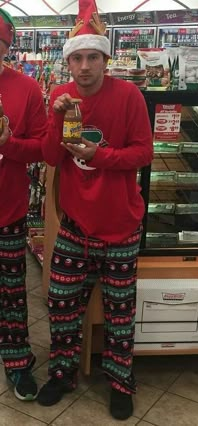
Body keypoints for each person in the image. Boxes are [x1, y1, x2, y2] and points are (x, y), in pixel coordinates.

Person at [37, 0, 153, 420]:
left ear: (104, 58)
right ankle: (63, 372)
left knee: (121, 313)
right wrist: (54, 119)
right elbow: (52, 157)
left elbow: (143, 153)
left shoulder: (129, 96)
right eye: (76, 58)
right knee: (60, 303)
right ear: (68, 60)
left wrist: (98, 155)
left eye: (91, 57)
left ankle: (120, 383)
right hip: (74, 226)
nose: (83, 66)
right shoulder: (61, 94)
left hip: (121, 227)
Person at [0, 9, 47, 401]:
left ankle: (17, 361)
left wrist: (8, 144)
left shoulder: (27, 90)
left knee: (13, 292)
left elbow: (43, 148)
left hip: (8, 211)